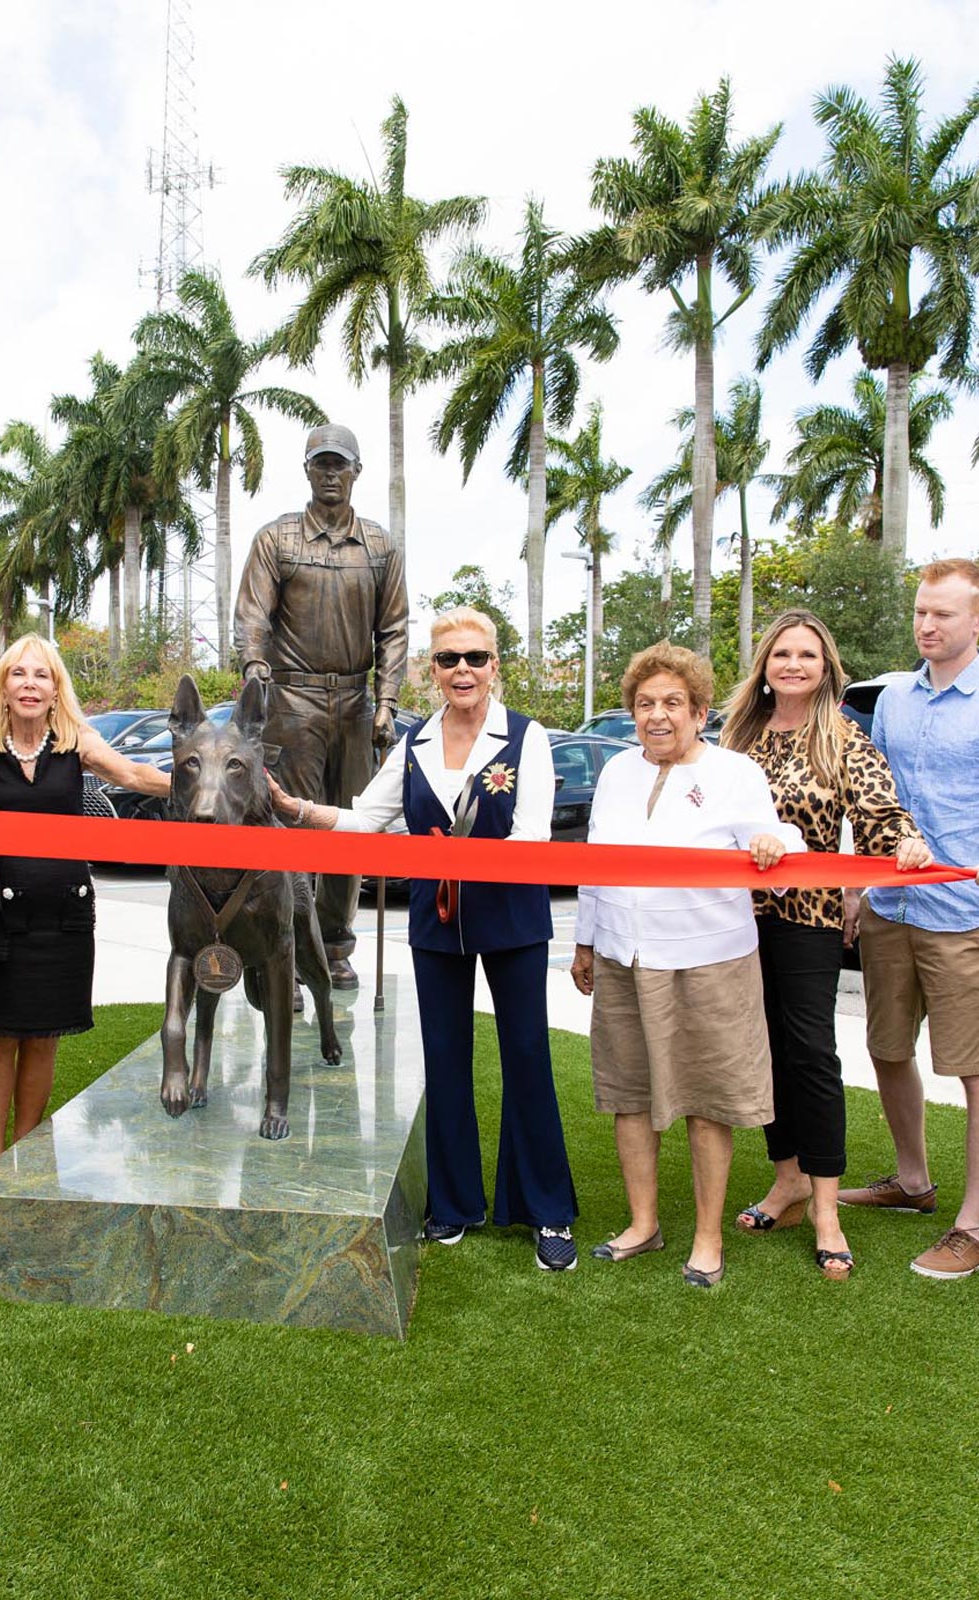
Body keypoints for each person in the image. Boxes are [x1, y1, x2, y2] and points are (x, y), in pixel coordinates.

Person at [277, 608, 580, 1271]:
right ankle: (453, 1201)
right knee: (443, 1058)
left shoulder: (525, 738)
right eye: (449, 660)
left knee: (526, 1055)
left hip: (512, 918)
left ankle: (547, 1211)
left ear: (495, 665)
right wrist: (295, 808)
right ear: (433, 671)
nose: (463, 670)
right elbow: (366, 819)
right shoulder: (412, 743)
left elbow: (533, 838)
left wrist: (462, 856)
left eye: (475, 657)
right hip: (435, 921)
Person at [840, 559, 979, 1281]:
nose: (928, 626)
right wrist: (858, 885)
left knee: (976, 1069)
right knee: (887, 1049)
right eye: (922, 613)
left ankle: (974, 1227)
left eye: (945, 616)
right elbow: (877, 801)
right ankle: (913, 1182)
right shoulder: (895, 698)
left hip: (967, 916)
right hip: (892, 907)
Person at [572, 644, 803, 1288]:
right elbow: (594, 865)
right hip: (624, 956)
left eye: (673, 703)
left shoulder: (735, 774)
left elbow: (786, 843)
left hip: (707, 961)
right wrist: (586, 942)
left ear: (699, 711)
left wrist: (770, 844)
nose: (658, 716)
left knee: (707, 1102)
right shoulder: (616, 772)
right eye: (645, 704)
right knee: (630, 1097)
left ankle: (707, 1239)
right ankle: (643, 1224)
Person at [719, 610, 931, 1281]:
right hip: (733, 919)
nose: (793, 665)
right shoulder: (736, 739)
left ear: (825, 667)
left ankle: (827, 1206)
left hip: (807, 918)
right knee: (763, 1050)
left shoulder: (843, 739)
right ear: (765, 665)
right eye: (782, 654)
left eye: (807, 655)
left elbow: (880, 814)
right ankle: (786, 1181)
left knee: (811, 1052)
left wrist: (906, 843)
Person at [0, 633, 169, 1161]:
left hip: (65, 915)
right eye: (19, 674)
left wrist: (202, 777)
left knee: (43, 1035)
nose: (30, 685)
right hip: (0, 916)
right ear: (2, 686)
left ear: (57, 689)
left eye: (42, 675)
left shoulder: (75, 740)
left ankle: (24, 1151)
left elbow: (134, 774)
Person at [230, 422, 409, 990]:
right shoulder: (276, 539)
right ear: (307, 470)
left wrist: (387, 700)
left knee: (349, 829)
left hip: (357, 702)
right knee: (294, 829)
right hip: (293, 698)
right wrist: (254, 667)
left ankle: (334, 945)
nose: (331, 474)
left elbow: (396, 629)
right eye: (321, 464)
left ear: (357, 472)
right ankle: (289, 945)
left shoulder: (379, 546)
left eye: (341, 465)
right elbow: (253, 616)